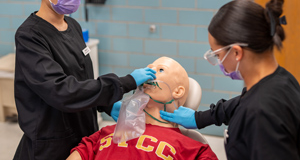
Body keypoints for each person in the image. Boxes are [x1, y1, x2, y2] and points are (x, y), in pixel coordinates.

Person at [13, 0, 156, 160]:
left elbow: (82, 80)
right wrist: (125, 82)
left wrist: (105, 103)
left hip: (83, 135)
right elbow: (61, 91)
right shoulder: (29, 36)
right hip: (51, 144)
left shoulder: (72, 25)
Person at [160, 0, 300, 160]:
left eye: (218, 55)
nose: (219, 62)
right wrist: (199, 118)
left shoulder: (261, 114)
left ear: (236, 52)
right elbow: (241, 103)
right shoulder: (281, 80)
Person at [67, 57, 218, 160]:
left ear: (177, 92)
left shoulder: (193, 147)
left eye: (160, 70)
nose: (149, 75)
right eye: (149, 68)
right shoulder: (107, 132)